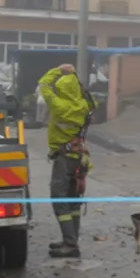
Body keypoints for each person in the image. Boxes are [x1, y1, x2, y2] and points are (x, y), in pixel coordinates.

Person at [37, 64, 94, 258]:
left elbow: (43, 84)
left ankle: (70, 244)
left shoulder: (59, 105)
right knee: (73, 200)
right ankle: (71, 240)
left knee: (59, 199)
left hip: (64, 158)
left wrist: (58, 71)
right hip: (80, 157)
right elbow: (85, 92)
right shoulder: (86, 105)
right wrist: (75, 76)